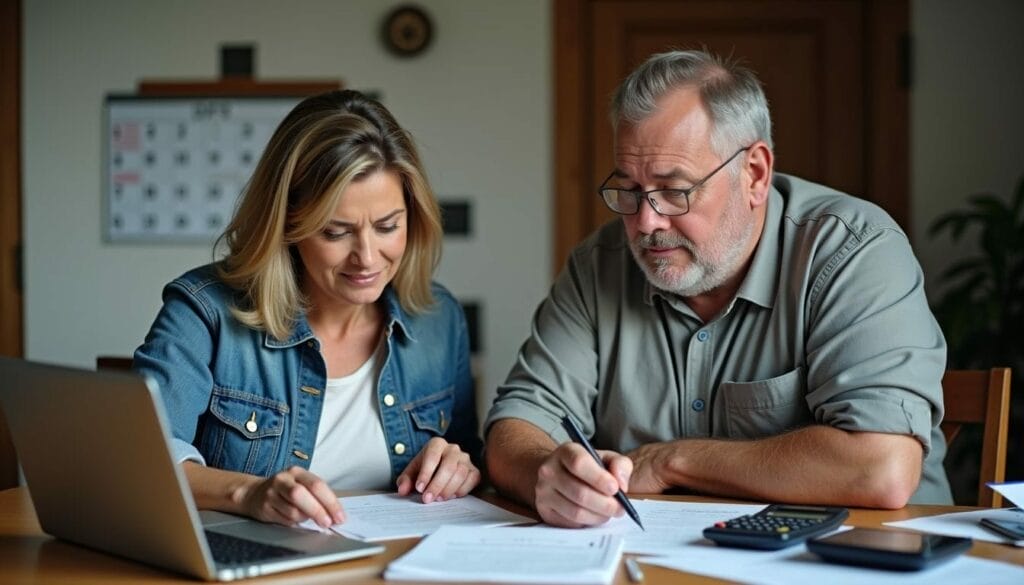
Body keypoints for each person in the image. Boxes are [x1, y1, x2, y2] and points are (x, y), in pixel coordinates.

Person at [484, 50, 952, 528]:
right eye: (628, 189)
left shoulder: (853, 251)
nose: (646, 222)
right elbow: (515, 426)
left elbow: (880, 468)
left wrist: (671, 462)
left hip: (862, 560)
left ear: (754, 174)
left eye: (675, 190)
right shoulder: (598, 265)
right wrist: (548, 475)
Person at [134, 90, 482, 530]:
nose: (368, 258)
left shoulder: (439, 318)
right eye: (336, 232)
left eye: (387, 226)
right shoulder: (204, 311)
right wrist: (248, 492)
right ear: (287, 226)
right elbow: (144, 462)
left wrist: (460, 468)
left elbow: (470, 456)